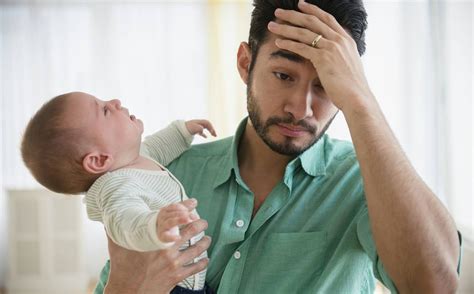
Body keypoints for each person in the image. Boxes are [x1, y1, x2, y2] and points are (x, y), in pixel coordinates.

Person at [96, 0, 462, 293]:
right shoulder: (170, 174)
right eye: (284, 76)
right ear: (245, 63)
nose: (299, 108)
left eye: (326, 85)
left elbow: (435, 286)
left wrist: (361, 102)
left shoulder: (363, 181)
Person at [21, 91, 217, 293]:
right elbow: (127, 222)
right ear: (99, 160)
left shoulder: (134, 160)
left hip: (187, 281)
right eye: (105, 110)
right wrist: (156, 225)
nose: (115, 102)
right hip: (170, 288)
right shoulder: (115, 188)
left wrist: (182, 132)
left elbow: (157, 147)